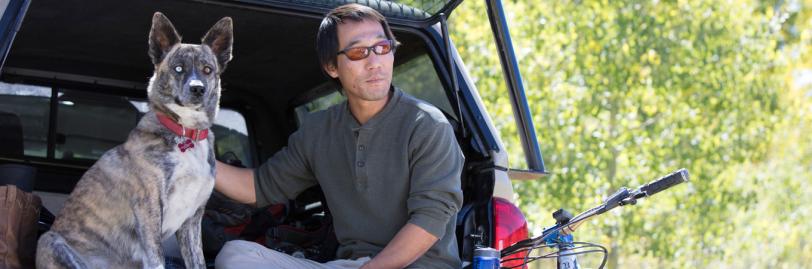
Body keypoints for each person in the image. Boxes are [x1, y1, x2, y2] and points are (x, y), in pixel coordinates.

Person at [213, 3, 463, 269]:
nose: (375, 62)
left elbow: (430, 219)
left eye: (382, 47)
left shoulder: (427, 125)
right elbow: (260, 187)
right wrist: (197, 160)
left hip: (415, 266)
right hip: (349, 265)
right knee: (235, 255)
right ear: (332, 66)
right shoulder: (318, 130)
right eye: (358, 52)